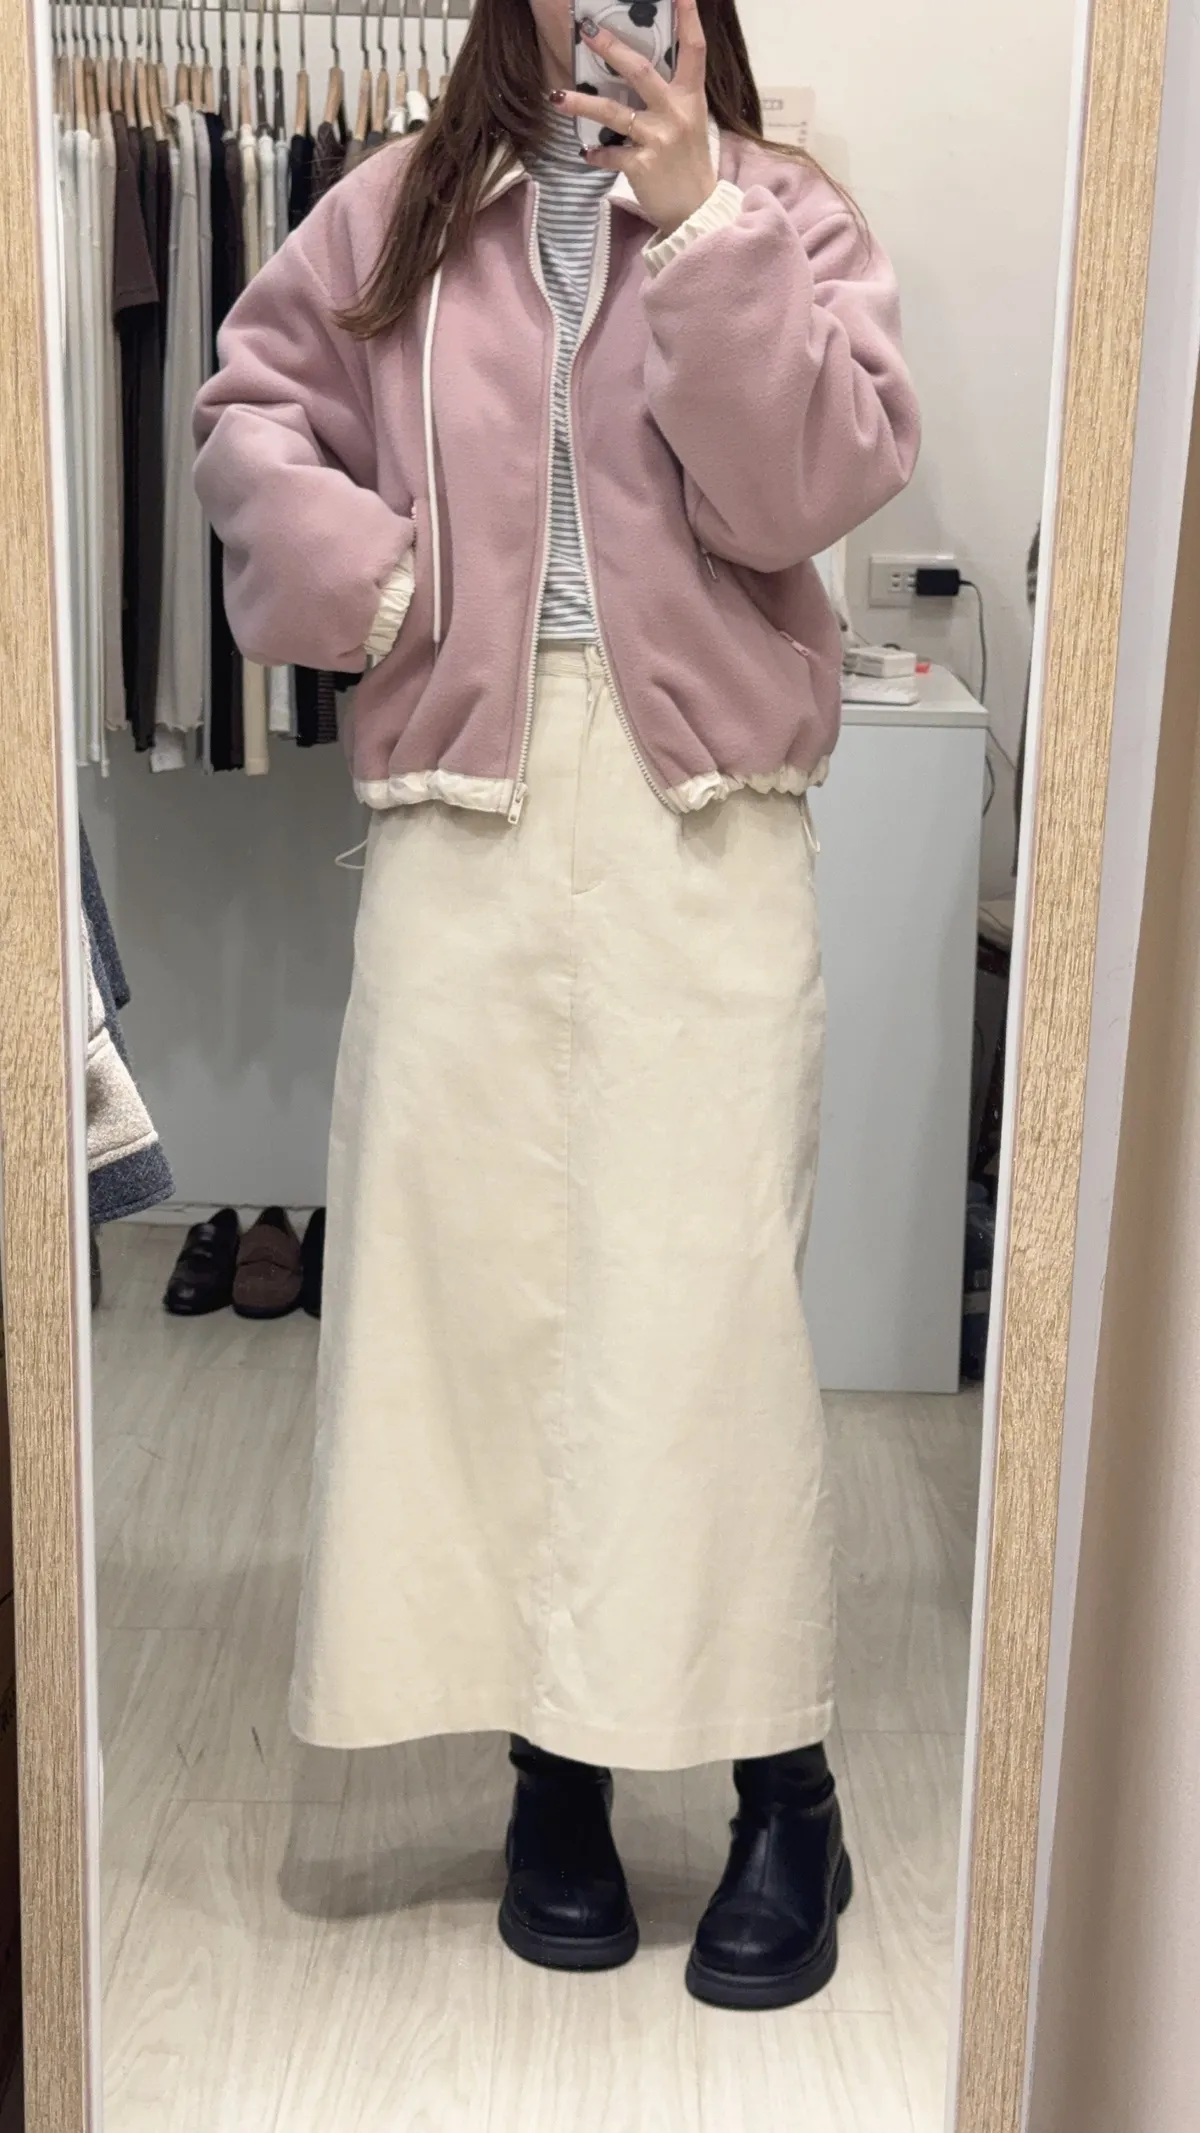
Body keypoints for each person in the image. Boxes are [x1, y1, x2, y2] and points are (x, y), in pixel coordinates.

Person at [193, 0, 919, 2013]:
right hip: (466, 814)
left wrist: (707, 233)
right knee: (485, 1309)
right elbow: (248, 408)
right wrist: (376, 582)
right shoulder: (402, 212)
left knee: (705, 1318)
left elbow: (800, 495)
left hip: (709, 823)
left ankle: (785, 1792)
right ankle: (557, 1775)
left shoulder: (787, 212)